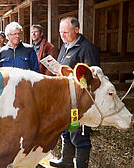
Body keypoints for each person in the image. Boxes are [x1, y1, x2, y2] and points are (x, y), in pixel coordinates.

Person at [49, 16, 100, 168]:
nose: (62, 35)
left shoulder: (87, 48)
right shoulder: (65, 46)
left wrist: (73, 77)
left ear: (76, 30)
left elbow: (92, 78)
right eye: (60, 32)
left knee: (79, 134)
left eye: (65, 32)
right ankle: (66, 161)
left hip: (79, 102)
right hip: (66, 99)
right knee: (66, 130)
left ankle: (80, 165)